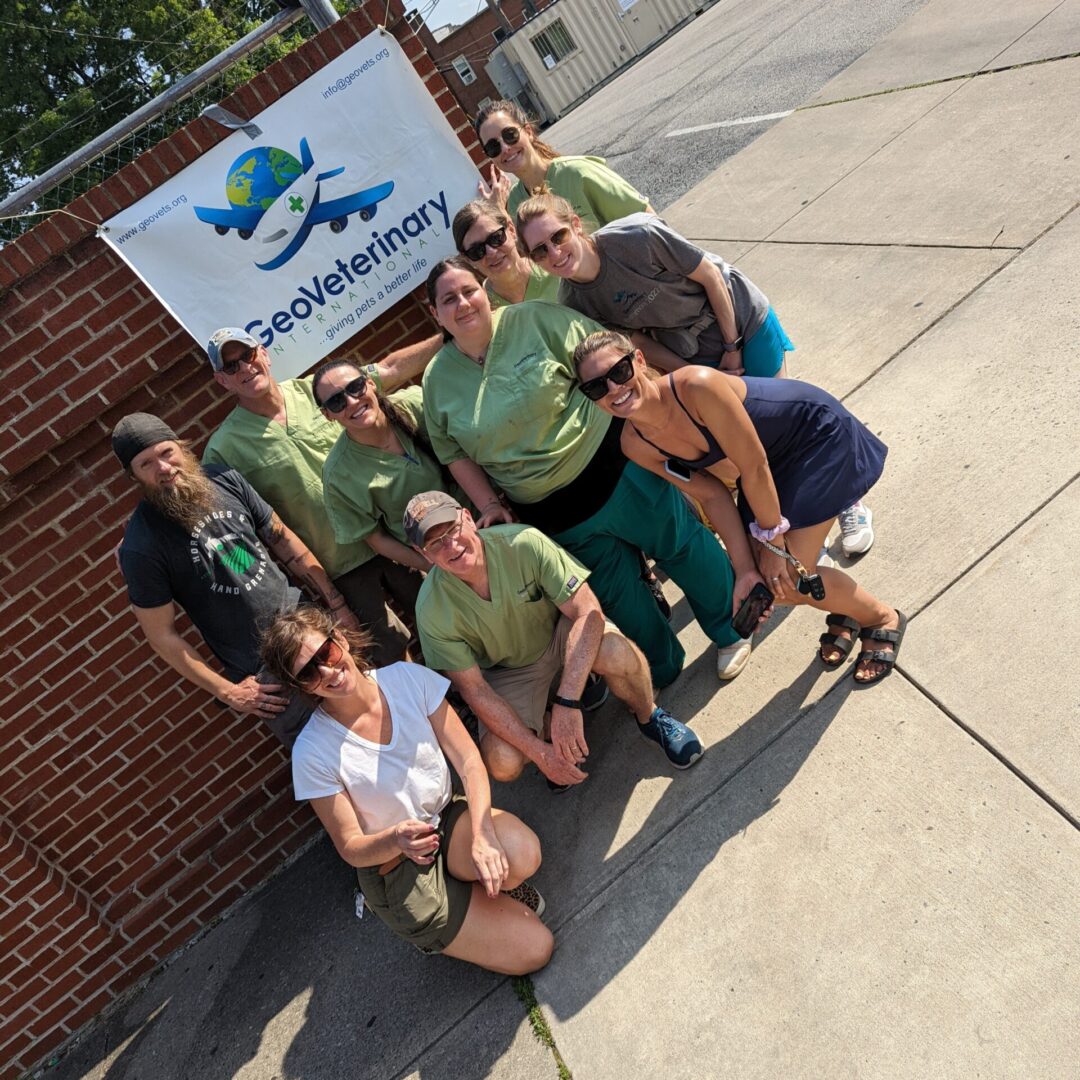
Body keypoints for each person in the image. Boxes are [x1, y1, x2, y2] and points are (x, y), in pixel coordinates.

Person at [423, 257, 753, 688]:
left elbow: (605, 360)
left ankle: (733, 628)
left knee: (681, 544)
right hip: (554, 513)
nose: (463, 303)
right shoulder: (437, 379)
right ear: (434, 313)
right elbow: (452, 452)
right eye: (449, 300)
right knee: (619, 596)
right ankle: (658, 666)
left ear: (484, 290)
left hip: (617, 467)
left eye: (469, 290)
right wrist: (487, 502)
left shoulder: (534, 320)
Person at [517, 194, 876, 557]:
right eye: (540, 251)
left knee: (780, 432)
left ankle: (849, 502)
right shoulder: (574, 304)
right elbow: (638, 343)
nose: (554, 253)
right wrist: (691, 373)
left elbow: (709, 275)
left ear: (576, 225)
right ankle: (803, 540)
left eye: (558, 237)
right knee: (752, 446)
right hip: (693, 349)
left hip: (741, 319)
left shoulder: (635, 236)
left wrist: (732, 347)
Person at [572, 331, 907, 685]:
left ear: (639, 360)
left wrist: (774, 545)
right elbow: (713, 495)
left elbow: (754, 466)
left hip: (814, 440)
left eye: (619, 372)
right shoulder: (636, 444)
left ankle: (882, 618)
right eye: (596, 388)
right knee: (766, 586)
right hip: (767, 470)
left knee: (790, 578)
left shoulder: (696, 387)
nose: (613, 389)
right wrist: (746, 569)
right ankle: (845, 606)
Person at [261, 605, 553, 973]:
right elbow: (350, 846)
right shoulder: (311, 752)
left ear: (341, 640)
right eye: (308, 672)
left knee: (522, 853)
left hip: (446, 820)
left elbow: (469, 762)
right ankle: (437, 927)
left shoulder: (406, 679)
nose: (327, 671)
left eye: (326, 653)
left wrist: (482, 834)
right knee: (537, 948)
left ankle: (478, 890)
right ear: (300, 686)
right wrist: (395, 839)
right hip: (396, 866)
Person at [405, 492, 704, 789]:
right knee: (502, 761)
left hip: (561, 634)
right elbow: (475, 690)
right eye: (435, 542)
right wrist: (541, 755)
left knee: (614, 651)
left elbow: (587, 611)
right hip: (511, 671)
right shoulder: (430, 609)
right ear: (424, 554)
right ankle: (549, 731)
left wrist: (568, 700)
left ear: (468, 518)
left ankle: (650, 715)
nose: (451, 545)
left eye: (452, 528)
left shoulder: (522, 542)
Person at [113, 413, 361, 747]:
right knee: (329, 759)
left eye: (166, 452)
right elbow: (161, 637)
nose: (164, 467)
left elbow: (282, 540)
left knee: (372, 714)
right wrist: (228, 692)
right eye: (146, 463)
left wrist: (336, 606)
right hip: (268, 673)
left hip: (313, 631)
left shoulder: (224, 479)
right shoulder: (142, 545)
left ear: (182, 448)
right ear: (134, 477)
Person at [202, 326, 443, 665]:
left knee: (445, 616)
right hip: (338, 566)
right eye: (231, 367)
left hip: (393, 534)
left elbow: (388, 370)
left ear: (265, 354)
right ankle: (436, 710)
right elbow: (223, 527)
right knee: (390, 652)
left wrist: (447, 333)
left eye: (248, 356)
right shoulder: (223, 449)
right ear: (221, 380)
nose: (244, 368)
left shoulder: (320, 392)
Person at [312, 359, 461, 633]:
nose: (352, 401)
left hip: (485, 521)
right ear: (327, 415)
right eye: (336, 402)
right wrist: (432, 565)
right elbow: (376, 539)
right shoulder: (338, 475)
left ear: (370, 383)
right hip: (441, 556)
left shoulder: (415, 403)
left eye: (355, 387)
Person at [475, 99, 654, 231]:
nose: (505, 148)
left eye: (510, 134)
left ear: (528, 131)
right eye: (493, 146)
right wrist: (498, 212)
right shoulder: (515, 203)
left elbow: (646, 218)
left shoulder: (577, 172)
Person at [452, 199, 560, 309]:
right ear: (467, 259)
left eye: (496, 238)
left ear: (512, 230)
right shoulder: (483, 310)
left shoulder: (557, 268)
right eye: (477, 250)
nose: (491, 252)